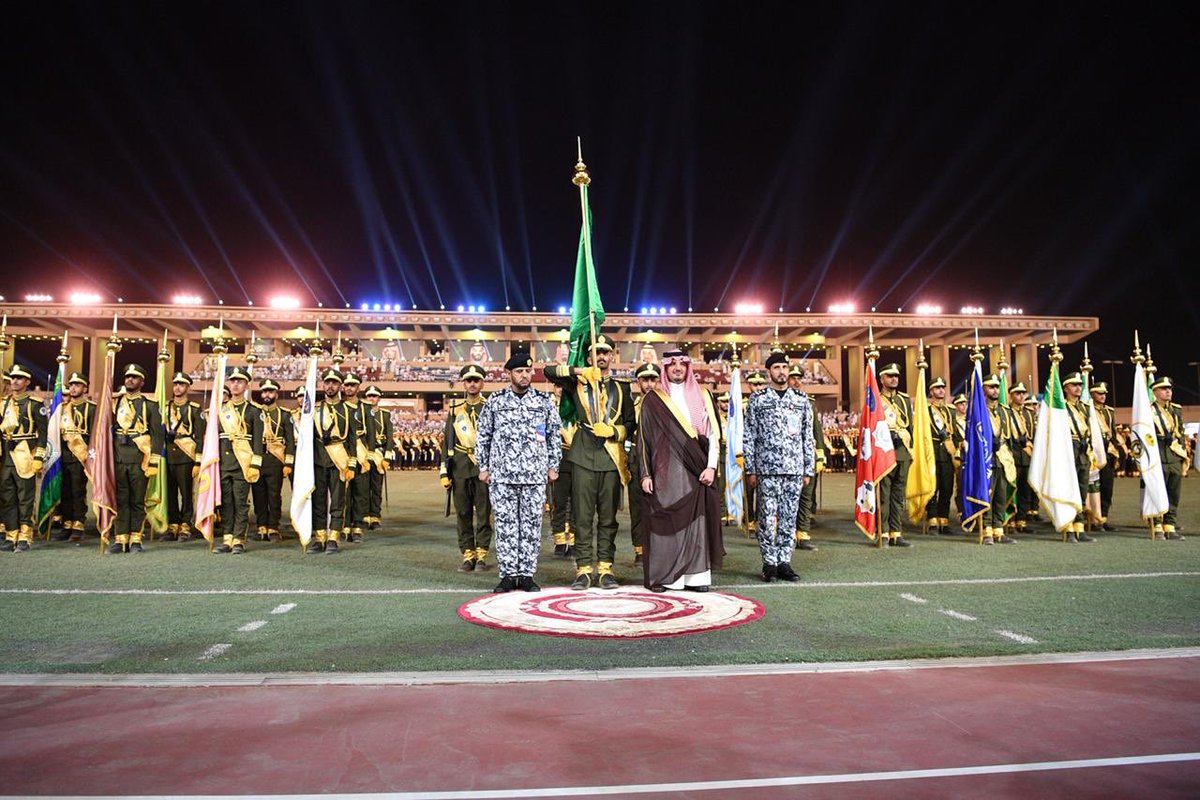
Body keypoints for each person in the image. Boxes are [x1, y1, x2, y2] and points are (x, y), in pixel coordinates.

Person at [543, 334, 635, 590]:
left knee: (608, 518)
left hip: (610, 458)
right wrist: (579, 370)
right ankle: (583, 570)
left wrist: (614, 431)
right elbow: (548, 371)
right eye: (596, 352)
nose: (601, 356)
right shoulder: (578, 383)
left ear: (612, 356)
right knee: (582, 517)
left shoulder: (622, 388)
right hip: (583, 455)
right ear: (588, 356)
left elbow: (630, 424)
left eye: (605, 352)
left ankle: (605, 569)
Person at [476, 351, 561, 592]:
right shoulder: (496, 401)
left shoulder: (543, 401)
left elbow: (553, 434)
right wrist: (483, 467)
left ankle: (526, 575)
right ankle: (507, 575)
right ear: (509, 373)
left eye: (527, 371)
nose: (524, 375)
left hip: (534, 475)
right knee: (505, 526)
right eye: (519, 371)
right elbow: (483, 435)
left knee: (531, 526)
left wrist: (553, 465)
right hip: (502, 476)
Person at [638, 350, 723, 591]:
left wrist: (711, 466)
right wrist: (645, 473)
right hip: (665, 472)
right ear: (665, 368)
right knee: (668, 524)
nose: (677, 368)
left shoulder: (704, 395)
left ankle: (697, 578)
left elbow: (713, 435)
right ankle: (668, 577)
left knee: (697, 522)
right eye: (672, 364)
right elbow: (643, 439)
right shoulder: (654, 399)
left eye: (682, 364)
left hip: (697, 468)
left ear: (688, 367)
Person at [743, 351, 815, 582]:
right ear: (769, 371)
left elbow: (807, 436)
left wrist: (808, 468)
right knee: (766, 518)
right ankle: (769, 563)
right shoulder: (758, 399)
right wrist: (751, 468)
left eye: (784, 367)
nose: (781, 372)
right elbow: (749, 435)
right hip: (767, 469)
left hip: (794, 469)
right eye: (776, 368)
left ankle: (784, 562)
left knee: (788, 518)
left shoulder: (801, 399)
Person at [440, 364, 493, 572]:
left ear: (482, 383)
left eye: (476, 380)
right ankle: (468, 554)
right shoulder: (455, 410)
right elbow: (447, 442)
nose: (472, 384)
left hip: (483, 468)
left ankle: (482, 554)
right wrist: (444, 471)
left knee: (484, 513)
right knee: (462, 513)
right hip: (460, 467)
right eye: (469, 380)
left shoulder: (490, 407)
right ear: (463, 383)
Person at [108, 363, 163, 554]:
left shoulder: (150, 405)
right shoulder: (114, 403)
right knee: (121, 499)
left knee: (137, 500)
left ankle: (136, 538)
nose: (130, 379)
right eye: (127, 377)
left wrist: (154, 460)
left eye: (134, 377)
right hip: (118, 457)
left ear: (142, 382)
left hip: (141, 458)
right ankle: (120, 538)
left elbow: (157, 435)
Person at [309, 369, 358, 554]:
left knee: (338, 501)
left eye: (334, 383)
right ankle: (320, 537)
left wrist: (351, 464)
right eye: (327, 382)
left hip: (339, 461)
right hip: (318, 460)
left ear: (340, 386)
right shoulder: (314, 410)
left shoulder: (348, 410)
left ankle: (333, 537)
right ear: (323, 385)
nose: (330, 386)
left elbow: (352, 440)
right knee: (318, 501)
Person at [215, 367, 263, 554]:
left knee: (240, 502)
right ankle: (227, 537)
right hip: (223, 463)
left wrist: (255, 464)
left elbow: (257, 441)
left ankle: (238, 539)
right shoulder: (220, 410)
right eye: (233, 381)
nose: (235, 385)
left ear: (246, 385)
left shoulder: (253, 411)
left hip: (243, 463)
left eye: (240, 381)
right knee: (226, 502)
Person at [1, 365, 48, 552]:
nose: (14, 381)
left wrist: (39, 457)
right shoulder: (4, 403)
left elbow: (43, 434)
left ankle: (25, 536)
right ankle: (11, 534)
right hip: (6, 457)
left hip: (25, 455)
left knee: (25, 498)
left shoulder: (35, 404)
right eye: (13, 378)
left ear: (27, 382)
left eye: (19, 378)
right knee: (7, 498)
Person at [161, 372, 203, 542]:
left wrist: (198, 460)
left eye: (181, 384)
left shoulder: (194, 408)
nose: (177, 387)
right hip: (168, 455)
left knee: (186, 493)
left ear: (188, 387)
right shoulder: (165, 407)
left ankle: (185, 524)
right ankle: (173, 524)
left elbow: (200, 436)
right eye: (175, 384)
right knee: (169, 492)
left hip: (186, 455)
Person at [55, 371, 96, 542]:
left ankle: (78, 524)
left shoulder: (91, 408)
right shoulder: (62, 409)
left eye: (77, 385)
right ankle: (67, 523)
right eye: (71, 385)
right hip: (63, 455)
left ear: (85, 388)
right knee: (64, 491)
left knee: (78, 491)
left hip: (81, 455)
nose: (73, 388)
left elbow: (95, 435)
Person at [251, 378, 293, 542]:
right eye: (265, 391)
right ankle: (261, 526)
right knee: (258, 494)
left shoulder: (284, 414)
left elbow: (290, 441)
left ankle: (273, 526)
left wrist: (288, 462)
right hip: (258, 457)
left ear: (276, 394)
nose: (267, 394)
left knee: (274, 495)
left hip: (275, 459)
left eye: (270, 391)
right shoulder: (255, 412)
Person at [628, 362, 662, 566]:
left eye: (653, 379)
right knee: (638, 506)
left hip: (661, 460)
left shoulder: (666, 406)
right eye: (645, 380)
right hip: (636, 461)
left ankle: (660, 547)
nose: (649, 384)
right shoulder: (632, 407)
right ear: (638, 382)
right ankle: (640, 549)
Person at [877, 362, 914, 547]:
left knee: (898, 495)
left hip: (903, 451)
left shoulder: (904, 400)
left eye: (896, 376)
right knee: (884, 495)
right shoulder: (876, 399)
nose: (894, 379)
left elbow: (910, 426)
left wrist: (911, 449)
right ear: (882, 379)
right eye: (890, 376)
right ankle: (883, 532)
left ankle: (896, 532)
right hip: (884, 452)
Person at [787, 363, 822, 551]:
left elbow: (817, 430)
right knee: (788, 497)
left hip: (806, 455)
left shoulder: (809, 402)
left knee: (806, 497)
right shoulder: (781, 401)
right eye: (793, 378)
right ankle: (788, 534)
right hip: (787, 457)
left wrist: (820, 455)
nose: (796, 381)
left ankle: (803, 534)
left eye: (799, 378)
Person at [982, 374, 1018, 545]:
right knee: (987, 495)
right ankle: (987, 530)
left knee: (1001, 495)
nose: (995, 390)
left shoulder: (1004, 411)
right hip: (987, 457)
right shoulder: (979, 410)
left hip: (1003, 457)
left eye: (997, 387)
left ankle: (999, 529)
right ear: (984, 389)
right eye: (991, 387)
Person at [1151, 376, 1186, 540]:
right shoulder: (1149, 411)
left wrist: (1182, 453)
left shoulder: (1176, 409)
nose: (1168, 391)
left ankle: (1169, 525)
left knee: (1173, 492)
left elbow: (1181, 433)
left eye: (1169, 389)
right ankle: (1157, 524)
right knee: (1158, 491)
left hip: (1174, 456)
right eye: (1164, 389)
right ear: (1155, 392)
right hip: (1158, 455)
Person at [1062, 372, 1095, 543]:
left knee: (1082, 492)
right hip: (1068, 451)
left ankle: (1079, 527)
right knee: (1068, 491)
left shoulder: (1085, 408)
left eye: (1079, 385)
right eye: (1074, 385)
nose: (1078, 388)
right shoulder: (1061, 407)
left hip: (1083, 452)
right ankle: (1068, 527)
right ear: (1065, 388)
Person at [341, 373, 371, 542]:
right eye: (347, 385)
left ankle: (357, 526)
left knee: (360, 492)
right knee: (343, 492)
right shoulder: (339, 406)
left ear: (358, 387)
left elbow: (371, 433)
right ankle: (345, 525)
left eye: (353, 385)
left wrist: (370, 454)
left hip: (361, 453)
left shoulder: (365, 408)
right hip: (343, 452)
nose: (349, 388)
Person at [924, 377, 956, 535]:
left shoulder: (950, 410)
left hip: (948, 454)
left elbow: (955, 432)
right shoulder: (925, 410)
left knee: (946, 488)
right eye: (937, 388)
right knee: (932, 488)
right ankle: (932, 520)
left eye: (943, 387)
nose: (941, 390)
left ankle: (944, 520)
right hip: (933, 453)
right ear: (931, 391)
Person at [548, 383, 576, 557]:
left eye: (563, 386)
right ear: (553, 388)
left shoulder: (575, 405)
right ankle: (559, 540)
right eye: (558, 386)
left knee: (576, 504)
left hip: (577, 458)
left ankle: (572, 540)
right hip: (558, 460)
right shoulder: (548, 406)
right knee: (559, 503)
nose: (561, 389)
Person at [1089, 382, 1118, 531]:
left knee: (1107, 486)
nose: (1103, 396)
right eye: (1099, 393)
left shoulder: (1109, 411)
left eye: (1104, 393)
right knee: (1093, 487)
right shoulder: (1088, 410)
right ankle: (1093, 518)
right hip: (1093, 453)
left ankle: (1104, 517)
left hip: (1107, 452)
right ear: (1092, 394)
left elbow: (1113, 432)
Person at [362, 386, 393, 530]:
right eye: (369, 396)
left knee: (376, 487)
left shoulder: (385, 414)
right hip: (364, 452)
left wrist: (387, 457)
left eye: (374, 396)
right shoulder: (361, 413)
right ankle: (364, 516)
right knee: (363, 487)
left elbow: (390, 436)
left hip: (379, 453)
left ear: (379, 398)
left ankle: (375, 516)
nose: (371, 398)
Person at [1007, 382, 1036, 533]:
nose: (1021, 396)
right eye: (1017, 393)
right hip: (1013, 456)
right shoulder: (1006, 412)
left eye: (1023, 393)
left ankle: (1021, 521)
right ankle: (1010, 521)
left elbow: (1034, 435)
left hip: (1027, 457)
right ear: (1011, 395)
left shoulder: (1028, 414)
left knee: (1025, 491)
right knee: (1012, 490)